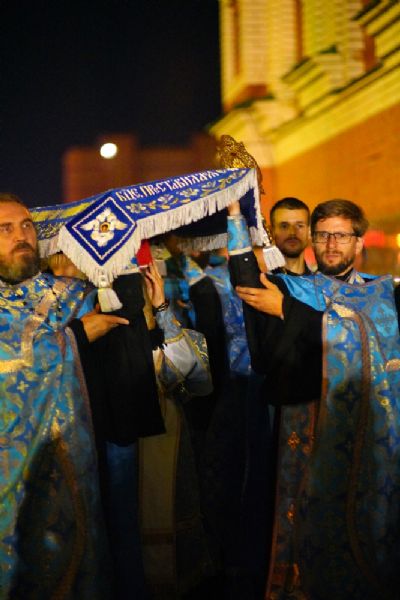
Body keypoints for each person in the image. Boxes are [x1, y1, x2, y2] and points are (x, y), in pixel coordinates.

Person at [227, 198, 400, 600]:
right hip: (307, 436)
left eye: (340, 235)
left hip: (369, 442)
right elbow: (248, 286)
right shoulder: (294, 288)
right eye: (322, 235)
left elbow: (378, 345)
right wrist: (236, 216)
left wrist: (290, 312)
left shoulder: (383, 294)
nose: (331, 244)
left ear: (359, 242)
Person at [0, 193, 130, 598]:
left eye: (27, 226)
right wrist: (75, 336)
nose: (21, 236)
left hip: (73, 461)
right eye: (5, 229)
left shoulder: (74, 296)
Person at [268, 197, 311, 275]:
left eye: (299, 226)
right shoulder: (261, 280)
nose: (292, 233)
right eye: (284, 226)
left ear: (309, 231)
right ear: (272, 232)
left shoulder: (319, 281)